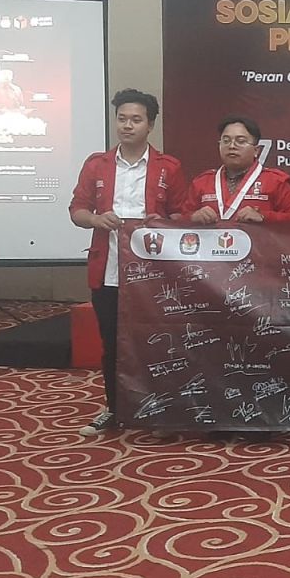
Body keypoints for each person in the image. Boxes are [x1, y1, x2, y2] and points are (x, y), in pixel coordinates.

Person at [68, 89, 188, 435]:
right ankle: (115, 408)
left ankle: (159, 410)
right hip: (108, 270)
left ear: (150, 125)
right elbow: (77, 210)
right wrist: (96, 219)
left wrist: (162, 223)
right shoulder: (97, 165)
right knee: (112, 343)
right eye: (122, 119)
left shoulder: (169, 167)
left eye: (136, 119)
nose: (127, 126)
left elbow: (182, 214)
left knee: (157, 343)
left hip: (154, 274)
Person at [187, 116, 290, 223]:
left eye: (240, 141)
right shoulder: (202, 182)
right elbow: (181, 217)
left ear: (256, 150)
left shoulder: (275, 181)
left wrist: (264, 216)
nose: (232, 146)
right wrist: (193, 217)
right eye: (226, 141)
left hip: (260, 241)